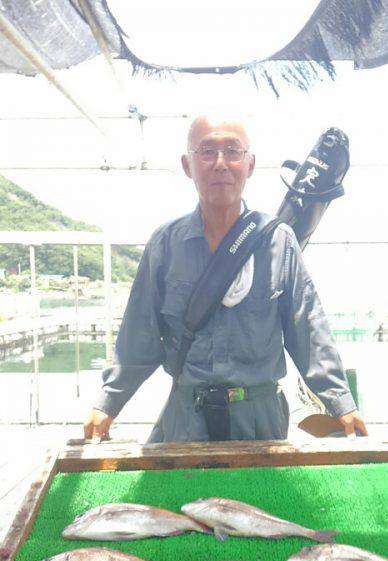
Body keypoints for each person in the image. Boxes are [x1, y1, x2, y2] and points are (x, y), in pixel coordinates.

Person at [84, 115, 367, 443]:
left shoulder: (279, 242)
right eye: (206, 151)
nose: (220, 164)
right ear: (187, 164)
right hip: (186, 418)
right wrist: (108, 403)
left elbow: (308, 329)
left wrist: (340, 403)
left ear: (250, 164)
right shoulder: (165, 244)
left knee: (258, 497)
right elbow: (138, 336)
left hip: (261, 421)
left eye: (233, 151)